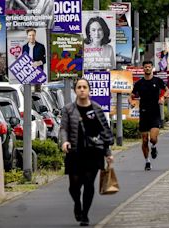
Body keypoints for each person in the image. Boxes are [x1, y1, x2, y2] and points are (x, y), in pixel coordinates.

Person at [60, 78, 114, 226]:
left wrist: (108, 153)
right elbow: (64, 128)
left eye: (84, 87)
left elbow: (104, 132)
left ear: (89, 90)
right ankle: (77, 204)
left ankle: (85, 214)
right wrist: (64, 141)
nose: (82, 89)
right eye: (79, 87)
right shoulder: (68, 109)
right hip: (75, 153)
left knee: (89, 183)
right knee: (74, 185)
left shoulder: (96, 109)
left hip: (94, 153)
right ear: (75, 90)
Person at [128, 61, 169, 171]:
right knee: (145, 140)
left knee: (153, 139)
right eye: (145, 67)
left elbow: (167, 91)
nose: (147, 68)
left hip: (155, 113)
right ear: (143, 69)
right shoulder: (139, 83)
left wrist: (162, 98)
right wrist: (131, 102)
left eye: (149, 67)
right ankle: (147, 162)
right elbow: (131, 96)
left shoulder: (158, 81)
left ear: (152, 68)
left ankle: (154, 147)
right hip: (143, 113)